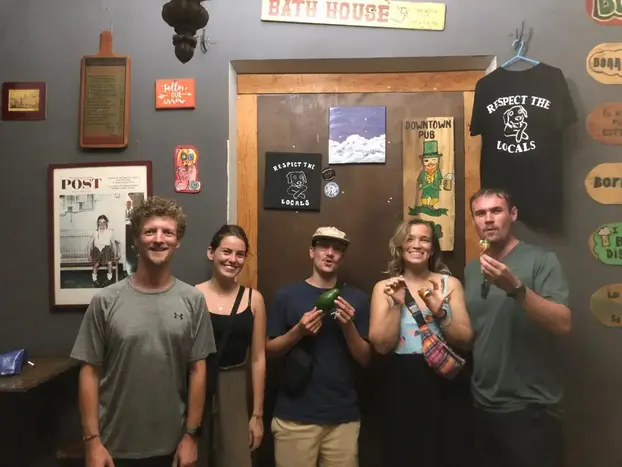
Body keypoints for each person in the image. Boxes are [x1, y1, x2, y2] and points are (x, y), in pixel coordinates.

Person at [70, 196, 216, 467]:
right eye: (150, 231)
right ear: (136, 239)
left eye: (167, 232)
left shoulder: (193, 301)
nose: (159, 239)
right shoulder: (105, 301)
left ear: (177, 241)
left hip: (172, 448)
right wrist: (92, 442)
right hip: (114, 448)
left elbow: (198, 370)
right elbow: (89, 372)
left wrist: (191, 436)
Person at [464, 188, 572, 467]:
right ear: (474, 221)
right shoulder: (472, 270)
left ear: (512, 214)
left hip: (530, 408)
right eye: (480, 213)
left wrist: (516, 289)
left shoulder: (541, 260)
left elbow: (562, 323)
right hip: (482, 404)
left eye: (496, 211)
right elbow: (475, 334)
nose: (488, 219)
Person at [368, 218, 473, 467]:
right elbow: (381, 345)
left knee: (444, 452)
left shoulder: (449, 285)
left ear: (432, 248)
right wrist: (396, 304)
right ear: (400, 246)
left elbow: (466, 340)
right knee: (403, 452)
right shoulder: (385, 287)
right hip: (400, 379)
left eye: (424, 239)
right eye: (410, 239)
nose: (417, 245)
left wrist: (441, 312)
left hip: (443, 381)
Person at [266, 226, 371, 467]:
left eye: (337, 249)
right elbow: (268, 351)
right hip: (294, 417)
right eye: (324, 246)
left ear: (342, 257)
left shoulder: (357, 299)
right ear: (311, 252)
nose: (330, 253)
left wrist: (348, 326)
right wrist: (298, 331)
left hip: (342, 419)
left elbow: (365, 359)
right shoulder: (287, 296)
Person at [195, 224, 267, 467]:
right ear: (211, 253)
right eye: (226, 251)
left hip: (235, 385)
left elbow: (258, 358)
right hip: (197, 384)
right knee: (193, 457)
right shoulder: (192, 297)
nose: (232, 260)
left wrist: (257, 415)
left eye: (239, 254)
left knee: (236, 459)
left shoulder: (253, 299)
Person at [89, 214, 117, 285]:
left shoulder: (109, 232)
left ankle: (109, 278)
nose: (102, 224)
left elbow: (113, 244)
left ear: (106, 223)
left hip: (106, 253)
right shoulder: (95, 233)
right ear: (98, 223)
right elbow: (89, 244)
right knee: (96, 263)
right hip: (97, 252)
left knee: (108, 255)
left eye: (104, 222)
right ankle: (94, 279)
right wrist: (89, 255)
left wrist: (115, 254)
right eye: (100, 222)